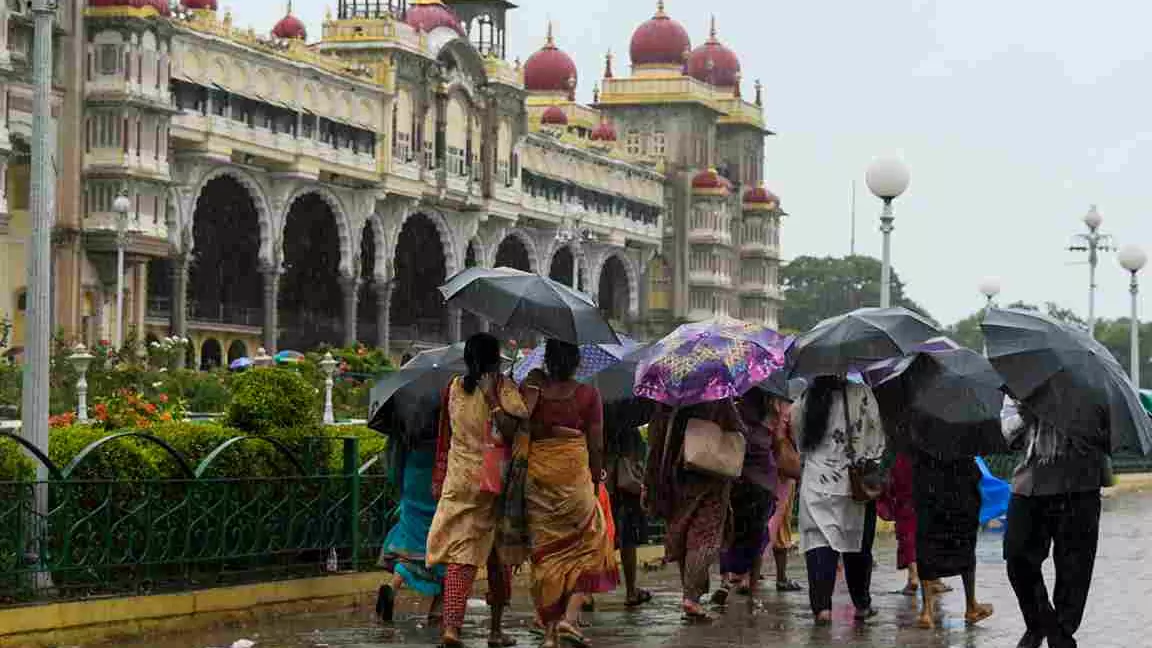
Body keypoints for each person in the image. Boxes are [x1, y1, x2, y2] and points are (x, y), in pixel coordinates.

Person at [513, 339, 618, 648]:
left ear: (547, 360)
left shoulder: (533, 391)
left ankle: (550, 633)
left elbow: (518, 428)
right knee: (591, 543)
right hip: (574, 481)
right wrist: (595, 481)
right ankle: (568, 619)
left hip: (537, 481)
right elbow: (597, 445)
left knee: (545, 555)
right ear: (577, 362)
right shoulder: (588, 395)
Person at [426, 333, 527, 648]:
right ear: (496, 358)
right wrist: (495, 399)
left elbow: (444, 435)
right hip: (495, 484)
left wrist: (439, 474)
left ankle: (452, 629)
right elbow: (515, 431)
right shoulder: (503, 388)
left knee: (461, 555)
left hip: (459, 481)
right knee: (499, 558)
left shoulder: (454, 387)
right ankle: (495, 631)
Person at [1002, 395, 1110, 648]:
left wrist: (1081, 418)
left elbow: (1111, 437)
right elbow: (1008, 433)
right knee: (1017, 557)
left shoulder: (1093, 387)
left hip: (1081, 485)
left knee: (1074, 570)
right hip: (1030, 483)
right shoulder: (1022, 385)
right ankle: (1040, 623)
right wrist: (1028, 411)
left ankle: (1062, 635)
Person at [793, 375, 886, 624]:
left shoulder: (805, 398)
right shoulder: (863, 393)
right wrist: (871, 459)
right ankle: (862, 604)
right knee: (857, 545)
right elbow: (877, 438)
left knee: (818, 543)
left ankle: (822, 608)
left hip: (816, 481)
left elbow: (799, 442)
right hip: (854, 483)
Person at [645, 398, 745, 621]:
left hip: (675, 478)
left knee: (683, 533)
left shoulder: (667, 401)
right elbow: (738, 431)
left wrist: (649, 483)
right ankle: (691, 597)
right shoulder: (718, 397)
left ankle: (689, 593)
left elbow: (655, 444)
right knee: (703, 537)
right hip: (711, 478)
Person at [905, 436, 994, 628]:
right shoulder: (964, 427)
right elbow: (974, 466)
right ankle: (971, 605)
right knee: (965, 544)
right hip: (960, 491)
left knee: (927, 544)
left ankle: (927, 611)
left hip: (928, 488)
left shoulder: (918, 426)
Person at [714, 388, 778, 603]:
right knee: (758, 537)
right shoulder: (769, 419)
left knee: (728, 532)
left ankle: (725, 580)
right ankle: (751, 588)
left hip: (736, 483)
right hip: (762, 486)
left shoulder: (733, 414)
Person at [376, 437, 444, 623]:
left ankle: (392, 587)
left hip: (413, 471)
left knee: (411, 540)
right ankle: (438, 610)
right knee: (445, 541)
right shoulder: (443, 420)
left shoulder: (410, 421)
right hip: (440, 471)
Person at [606, 404, 654, 609]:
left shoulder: (597, 413)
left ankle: (586, 594)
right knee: (628, 539)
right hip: (626, 489)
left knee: (596, 537)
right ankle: (631, 590)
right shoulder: (630, 419)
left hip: (601, 483)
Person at [766, 395, 802, 592]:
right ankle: (780, 578)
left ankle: (744, 576)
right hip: (782, 470)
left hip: (758, 466)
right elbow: (794, 437)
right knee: (780, 521)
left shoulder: (753, 400)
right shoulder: (787, 406)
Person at [879, 452, 920, 596]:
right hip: (923, 481)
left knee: (907, 534)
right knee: (926, 534)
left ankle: (913, 576)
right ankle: (933, 579)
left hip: (904, 491)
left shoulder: (898, 453)